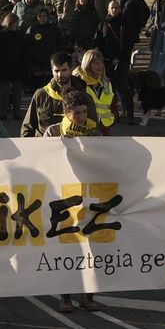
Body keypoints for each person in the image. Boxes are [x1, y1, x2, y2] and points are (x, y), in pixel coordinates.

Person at [42, 89, 101, 313]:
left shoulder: (94, 132)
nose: (82, 117)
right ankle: (65, 296)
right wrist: (60, 146)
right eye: (77, 113)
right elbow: (42, 159)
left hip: (88, 194)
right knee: (67, 246)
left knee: (91, 246)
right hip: (62, 197)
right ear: (66, 113)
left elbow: (106, 158)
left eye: (84, 112)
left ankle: (88, 295)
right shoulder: (53, 131)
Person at [20, 52, 96, 138]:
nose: (60, 75)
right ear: (51, 70)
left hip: (78, 144)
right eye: (56, 71)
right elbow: (27, 127)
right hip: (45, 143)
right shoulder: (41, 95)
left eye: (64, 70)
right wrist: (25, 144)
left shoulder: (84, 96)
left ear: (70, 69)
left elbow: (94, 128)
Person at [74, 49, 118, 134]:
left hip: (104, 127)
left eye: (101, 63)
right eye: (96, 63)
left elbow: (112, 103)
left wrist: (115, 118)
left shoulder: (106, 82)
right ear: (87, 65)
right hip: (85, 128)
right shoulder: (78, 83)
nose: (100, 66)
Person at [0, 13, 27, 119]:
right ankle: (2, 112)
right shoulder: (1, 34)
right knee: (4, 91)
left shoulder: (20, 35)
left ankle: (16, 112)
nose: (17, 25)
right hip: (5, 66)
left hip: (17, 66)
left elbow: (23, 52)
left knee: (17, 92)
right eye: (15, 23)